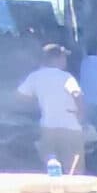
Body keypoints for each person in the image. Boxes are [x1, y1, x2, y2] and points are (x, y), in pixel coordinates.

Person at [17, 41, 84, 171]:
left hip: (47, 128)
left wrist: (39, 103)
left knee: (52, 168)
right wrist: (81, 116)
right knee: (74, 170)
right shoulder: (66, 76)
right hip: (70, 128)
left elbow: (20, 96)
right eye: (64, 57)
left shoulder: (35, 76)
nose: (65, 61)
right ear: (57, 58)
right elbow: (77, 95)